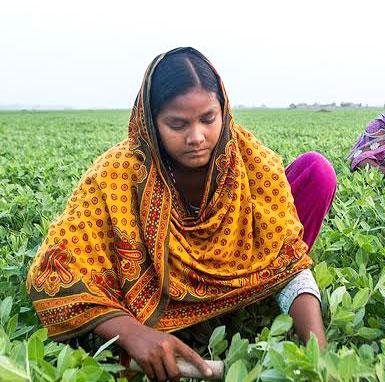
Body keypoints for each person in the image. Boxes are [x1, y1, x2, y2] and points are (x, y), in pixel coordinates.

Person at [26, 47, 336, 381]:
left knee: (316, 171)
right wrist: (133, 334)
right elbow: (51, 274)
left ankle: (246, 306)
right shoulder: (118, 173)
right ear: (151, 121)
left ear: (224, 110)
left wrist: (317, 350)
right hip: (156, 305)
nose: (196, 137)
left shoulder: (250, 162)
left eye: (208, 119)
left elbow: (288, 261)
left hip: (244, 286)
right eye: (177, 124)